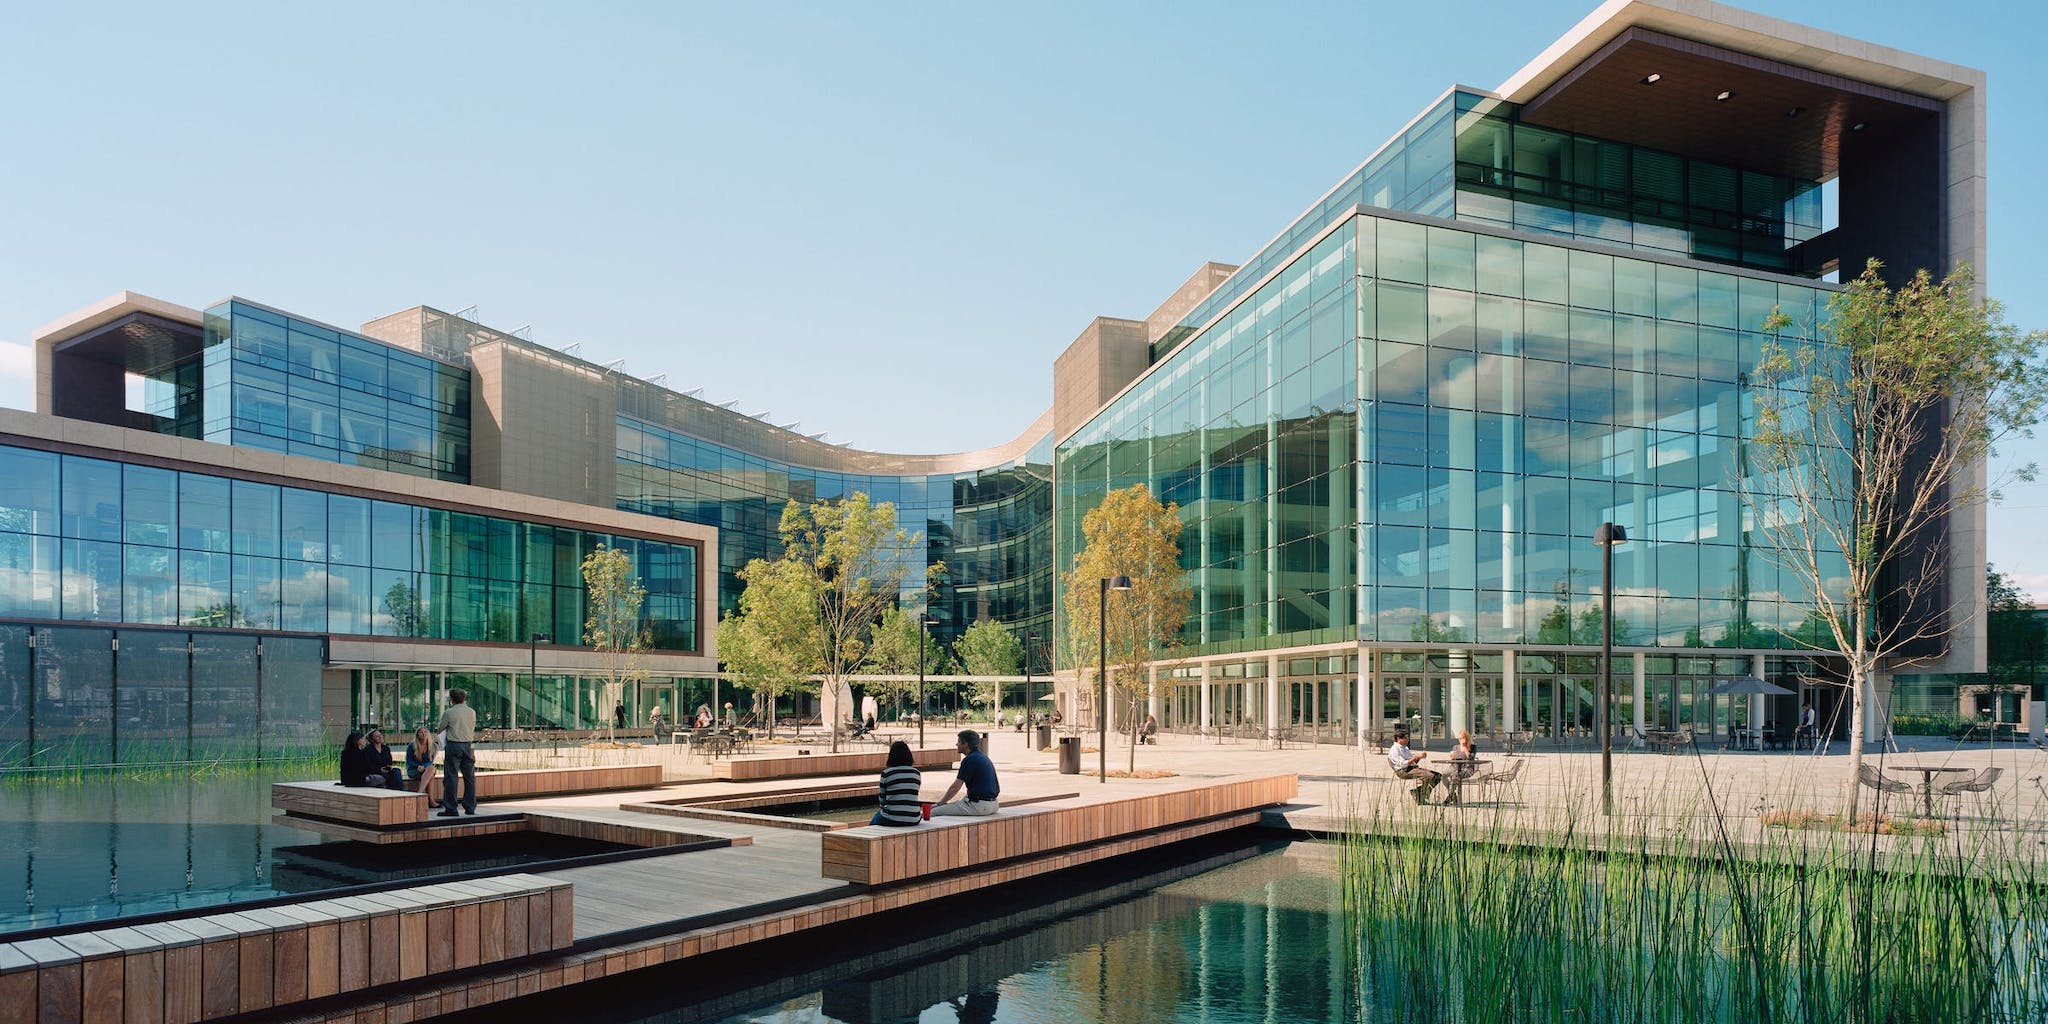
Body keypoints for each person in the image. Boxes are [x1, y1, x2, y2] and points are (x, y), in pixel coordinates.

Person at [931, 729, 999, 816]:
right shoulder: (983, 757)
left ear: (965, 744)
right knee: (956, 804)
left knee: (933, 812)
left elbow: (955, 787)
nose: (957, 744)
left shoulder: (969, 760)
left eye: (959, 742)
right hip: (993, 804)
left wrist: (940, 803)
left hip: (979, 806)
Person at [435, 689, 479, 817]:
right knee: (469, 778)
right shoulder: (472, 712)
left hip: (453, 746)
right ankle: (470, 807)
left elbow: (440, 729)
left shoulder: (449, 713)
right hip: (468, 746)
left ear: (451, 699)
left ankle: (451, 808)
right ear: (464, 698)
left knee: (451, 777)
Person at [871, 741, 923, 827]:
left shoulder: (887, 773)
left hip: (892, 817)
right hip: (914, 817)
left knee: (874, 820)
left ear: (891, 756)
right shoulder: (916, 773)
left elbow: (882, 798)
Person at [1387, 728, 1440, 806]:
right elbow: (1402, 764)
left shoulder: (1405, 748)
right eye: (1405, 738)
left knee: (1438, 776)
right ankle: (1420, 793)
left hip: (1412, 768)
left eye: (1408, 737)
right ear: (1398, 738)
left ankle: (1418, 792)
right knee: (1430, 776)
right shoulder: (1395, 749)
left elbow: (1413, 763)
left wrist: (1419, 757)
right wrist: (1415, 757)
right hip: (1403, 770)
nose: (1408, 739)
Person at [405, 727, 438, 794]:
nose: (423, 734)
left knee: (431, 769)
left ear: (428, 734)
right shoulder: (412, 745)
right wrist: (417, 766)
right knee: (431, 774)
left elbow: (430, 761)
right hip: (413, 769)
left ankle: (420, 793)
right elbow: (409, 761)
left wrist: (424, 767)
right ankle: (428, 798)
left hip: (426, 769)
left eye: (425, 732)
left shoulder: (433, 746)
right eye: (421, 732)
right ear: (417, 735)